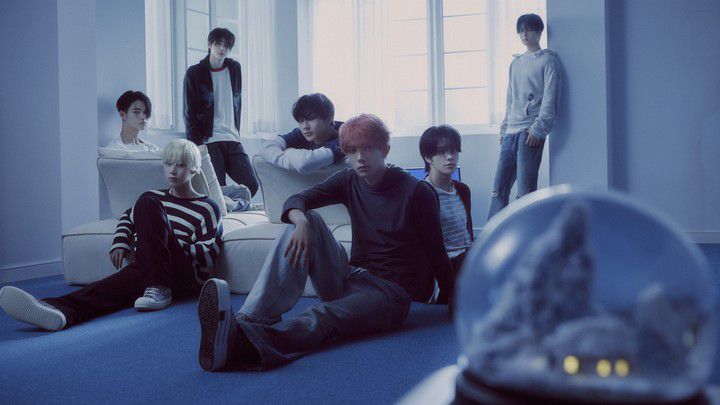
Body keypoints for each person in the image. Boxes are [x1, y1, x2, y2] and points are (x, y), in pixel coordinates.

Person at [196, 114, 455, 371]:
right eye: (352, 151)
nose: (360, 158)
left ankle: (241, 344)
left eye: (367, 148)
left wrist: (453, 298)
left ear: (385, 149)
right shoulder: (349, 179)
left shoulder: (418, 193)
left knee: (323, 315)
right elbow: (296, 200)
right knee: (306, 219)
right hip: (350, 277)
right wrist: (302, 222)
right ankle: (247, 320)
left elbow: (437, 252)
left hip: (389, 294)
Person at [0, 140, 223, 331]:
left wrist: (161, 248)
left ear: (194, 169)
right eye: (169, 164)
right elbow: (128, 217)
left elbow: (208, 254)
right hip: (149, 268)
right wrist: (121, 241)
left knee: (147, 203)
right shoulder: (155, 197)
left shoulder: (207, 207)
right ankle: (59, 311)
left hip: (182, 275)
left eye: (181, 165)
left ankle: (160, 286)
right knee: (110, 287)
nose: (172, 170)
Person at [487, 13, 561, 219]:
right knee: (498, 189)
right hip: (510, 131)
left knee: (525, 192)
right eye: (520, 30)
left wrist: (539, 129)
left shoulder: (548, 61)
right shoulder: (516, 63)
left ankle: (525, 233)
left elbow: (550, 99)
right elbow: (510, 98)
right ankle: (493, 233)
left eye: (528, 29)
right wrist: (504, 128)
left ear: (539, 31)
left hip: (530, 132)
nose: (524, 34)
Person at [184, 27, 259, 196]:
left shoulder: (234, 69)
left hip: (232, 137)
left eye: (227, 45)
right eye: (218, 44)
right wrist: (197, 145)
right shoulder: (195, 73)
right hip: (208, 140)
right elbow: (189, 111)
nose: (222, 48)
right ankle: (225, 210)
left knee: (251, 185)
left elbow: (237, 100)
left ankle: (233, 206)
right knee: (216, 189)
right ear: (209, 44)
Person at [419, 125, 473, 293]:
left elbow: (467, 235)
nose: (450, 157)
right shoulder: (422, 194)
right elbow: (427, 248)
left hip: (467, 260)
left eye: (454, 151)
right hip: (443, 268)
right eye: (442, 152)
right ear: (428, 157)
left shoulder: (463, 190)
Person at [258, 93, 345, 174]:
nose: (305, 126)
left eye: (311, 119)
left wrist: (288, 151)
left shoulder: (345, 138)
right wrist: (291, 163)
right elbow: (265, 148)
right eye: (300, 120)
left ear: (329, 119)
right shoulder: (302, 133)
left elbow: (304, 163)